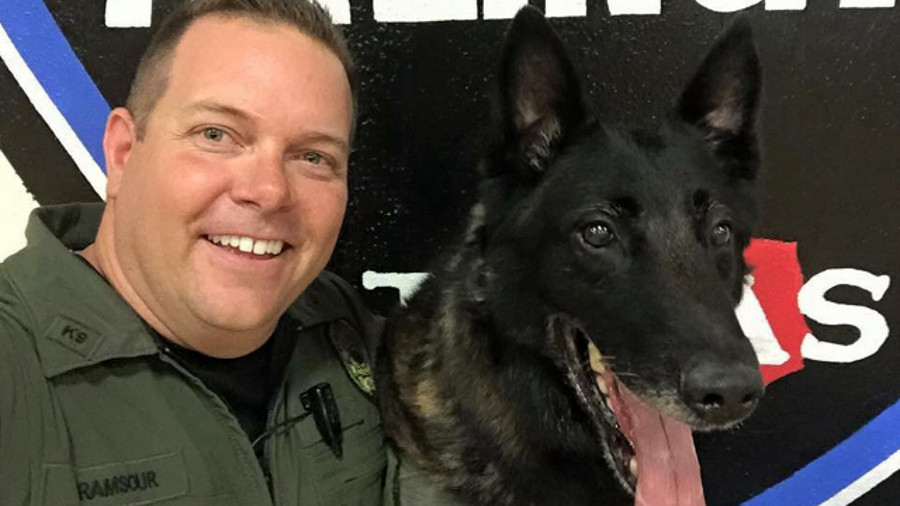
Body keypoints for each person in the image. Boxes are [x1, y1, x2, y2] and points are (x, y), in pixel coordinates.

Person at [0, 1, 393, 504]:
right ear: (122, 152)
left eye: (313, 157)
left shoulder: (352, 333)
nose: (269, 191)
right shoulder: (15, 369)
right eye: (216, 134)